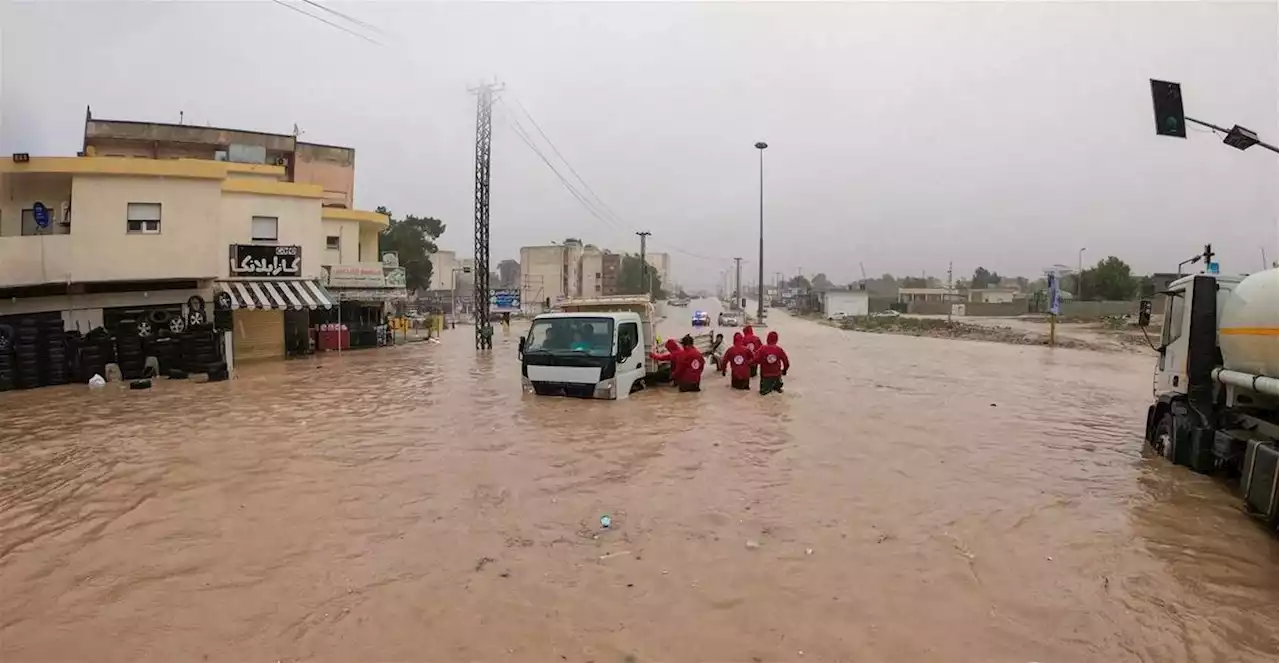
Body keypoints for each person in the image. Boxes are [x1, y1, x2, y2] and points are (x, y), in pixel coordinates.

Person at [752, 330, 790, 395]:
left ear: (767, 339)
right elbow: (786, 362)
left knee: (763, 394)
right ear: (776, 340)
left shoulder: (762, 349)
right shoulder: (779, 349)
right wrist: (784, 370)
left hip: (765, 376)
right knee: (778, 392)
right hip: (777, 376)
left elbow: (755, 360)